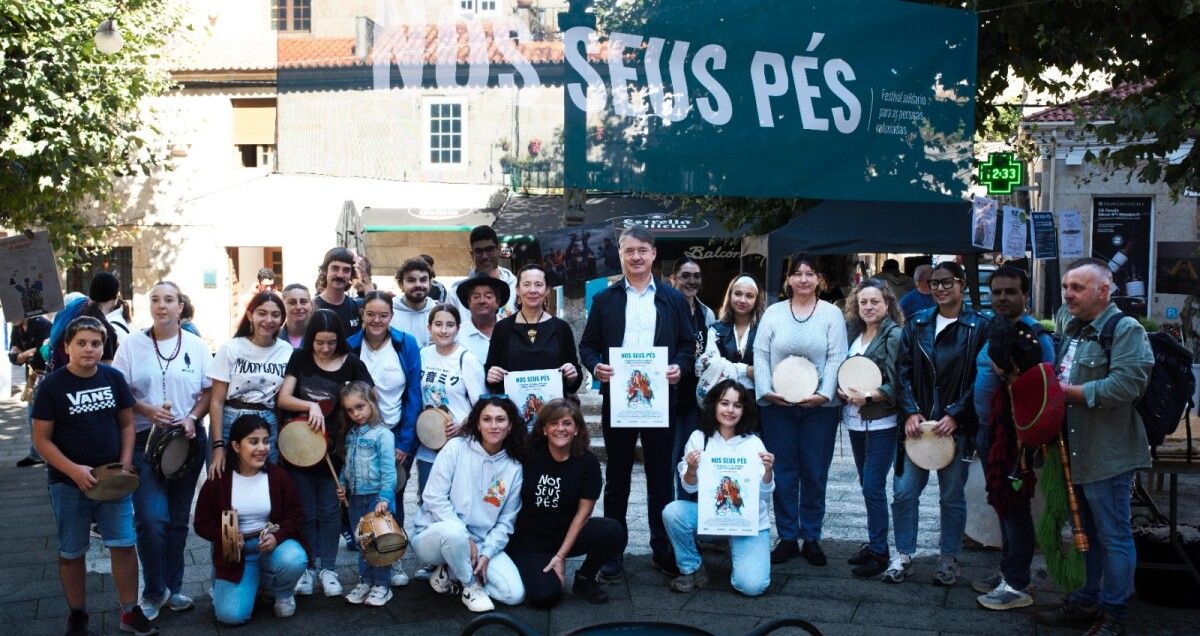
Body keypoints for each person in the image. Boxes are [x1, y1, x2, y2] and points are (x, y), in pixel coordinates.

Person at [1035, 258, 1154, 636]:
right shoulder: (1071, 324)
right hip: (1074, 452)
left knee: (1114, 535)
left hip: (1108, 453)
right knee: (1084, 531)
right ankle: (1087, 600)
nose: (1068, 294)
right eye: (1066, 287)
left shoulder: (1126, 329)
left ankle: (1114, 614)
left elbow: (1126, 386)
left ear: (1104, 290)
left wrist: (1063, 394)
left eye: (1077, 288)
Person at [579, 225, 695, 578]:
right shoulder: (606, 299)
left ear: (654, 254)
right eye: (629, 251)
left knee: (661, 478)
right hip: (620, 399)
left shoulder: (673, 299)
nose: (636, 257)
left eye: (643, 250)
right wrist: (594, 365)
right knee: (617, 477)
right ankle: (613, 551)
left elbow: (688, 346)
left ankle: (661, 548)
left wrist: (679, 366)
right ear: (621, 254)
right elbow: (588, 346)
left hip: (661, 401)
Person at [31, 316, 156, 636]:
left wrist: (125, 465)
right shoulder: (51, 387)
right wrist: (73, 470)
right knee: (72, 551)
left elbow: (127, 425)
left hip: (113, 480)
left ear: (103, 347)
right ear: (66, 347)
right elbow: (41, 440)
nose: (89, 349)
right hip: (68, 483)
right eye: (82, 343)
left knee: (124, 544)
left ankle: (129, 611)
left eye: (96, 343)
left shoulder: (113, 378)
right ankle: (77, 613)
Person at [112, 281, 213, 620]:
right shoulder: (131, 345)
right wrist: (146, 410)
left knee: (177, 521)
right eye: (155, 300)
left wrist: (193, 417)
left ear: (180, 306)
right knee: (152, 518)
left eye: (169, 300)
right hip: (145, 442)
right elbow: (119, 392)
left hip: (187, 441)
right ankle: (154, 591)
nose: (161, 306)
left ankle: (174, 587)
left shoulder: (197, 346)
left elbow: (209, 393)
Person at [887, 261, 990, 585]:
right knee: (903, 493)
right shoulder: (916, 324)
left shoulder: (979, 326)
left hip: (954, 428)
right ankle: (903, 555)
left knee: (951, 496)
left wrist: (956, 415)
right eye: (935, 283)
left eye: (947, 282)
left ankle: (949, 558)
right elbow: (901, 373)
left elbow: (980, 377)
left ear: (961, 285)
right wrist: (910, 412)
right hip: (916, 426)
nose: (941, 288)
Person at [754, 251, 848, 566]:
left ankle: (811, 537)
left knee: (814, 471)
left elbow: (837, 356)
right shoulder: (774, 313)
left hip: (819, 409)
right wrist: (767, 391)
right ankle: (787, 536)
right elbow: (761, 353)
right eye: (798, 273)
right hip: (777, 407)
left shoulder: (831, 315)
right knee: (782, 470)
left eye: (810, 273)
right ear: (788, 279)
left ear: (819, 279)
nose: (804, 279)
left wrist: (824, 394)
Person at [971, 267, 1056, 609]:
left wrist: (1008, 374)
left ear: (1025, 295)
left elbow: (1046, 388)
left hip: (1013, 436)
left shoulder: (1036, 336)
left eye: (1010, 292)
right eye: (996, 292)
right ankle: (1009, 569)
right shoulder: (996, 328)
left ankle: (1017, 584)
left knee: (1014, 507)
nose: (1002, 298)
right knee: (1002, 504)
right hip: (987, 432)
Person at [276, 308, 374, 598]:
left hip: (337, 451)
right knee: (306, 511)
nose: (325, 348)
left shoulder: (351, 363)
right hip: (301, 449)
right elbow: (284, 398)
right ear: (311, 338)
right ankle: (309, 567)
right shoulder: (300, 358)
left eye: (331, 342)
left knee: (331, 511)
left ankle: (329, 568)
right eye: (319, 342)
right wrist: (311, 405)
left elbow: (370, 396)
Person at [410, 395, 528, 612]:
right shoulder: (456, 448)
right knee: (454, 534)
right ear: (477, 423)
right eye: (487, 419)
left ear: (510, 426)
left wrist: (487, 554)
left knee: (514, 595)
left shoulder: (513, 467)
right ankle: (470, 586)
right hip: (435, 535)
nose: (494, 426)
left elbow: (505, 522)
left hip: (481, 543)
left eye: (500, 420)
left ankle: (452, 573)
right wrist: (465, 538)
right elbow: (434, 498)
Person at [507, 399, 624, 607]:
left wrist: (561, 556)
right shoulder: (530, 454)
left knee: (613, 530)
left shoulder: (587, 462)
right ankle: (524, 565)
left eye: (567, 423)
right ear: (544, 429)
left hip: (566, 535)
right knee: (545, 597)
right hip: (531, 542)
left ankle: (585, 578)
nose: (560, 429)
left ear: (576, 429)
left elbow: (583, 515)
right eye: (554, 423)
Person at [663, 379, 774, 596]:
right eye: (725, 403)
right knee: (673, 512)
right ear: (714, 405)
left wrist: (768, 472)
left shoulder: (753, 443)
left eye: (737, 405)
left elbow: (763, 495)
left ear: (744, 410)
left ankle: (741, 550)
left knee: (752, 586)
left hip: (749, 521)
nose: (730, 410)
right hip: (712, 515)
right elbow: (689, 487)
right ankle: (692, 568)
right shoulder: (699, 438)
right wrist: (692, 469)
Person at [193, 414, 307, 624]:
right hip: (236, 553)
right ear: (236, 446)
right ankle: (254, 584)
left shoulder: (277, 476)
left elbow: (296, 514)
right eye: (253, 442)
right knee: (230, 617)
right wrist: (225, 535)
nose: (262, 448)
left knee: (294, 558)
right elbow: (200, 522)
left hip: (270, 547)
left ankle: (282, 592)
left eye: (266, 441)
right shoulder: (218, 478)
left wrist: (278, 536)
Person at [347, 290, 423, 587]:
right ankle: (369, 555)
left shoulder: (406, 344)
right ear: (362, 315)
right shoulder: (351, 346)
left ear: (391, 316)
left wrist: (404, 442)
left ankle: (395, 554)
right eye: (371, 314)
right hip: (362, 432)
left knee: (394, 494)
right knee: (364, 495)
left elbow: (415, 394)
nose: (377, 320)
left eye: (383, 315)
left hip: (396, 431)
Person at [839, 278, 904, 578]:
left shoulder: (893, 335)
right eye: (863, 301)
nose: (868, 306)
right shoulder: (856, 334)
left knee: (872, 486)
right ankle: (875, 541)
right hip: (855, 421)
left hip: (881, 422)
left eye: (874, 301)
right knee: (868, 487)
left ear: (887, 303)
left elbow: (895, 384)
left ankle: (880, 552)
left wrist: (865, 396)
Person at [208, 292, 293, 479]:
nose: (268, 320)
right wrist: (218, 446)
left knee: (264, 482)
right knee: (226, 484)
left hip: (266, 424)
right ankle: (230, 512)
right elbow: (216, 401)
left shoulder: (286, 351)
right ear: (250, 316)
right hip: (231, 422)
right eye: (262, 313)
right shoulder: (231, 348)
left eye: (275, 315)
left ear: (282, 320)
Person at [336, 381, 398, 607]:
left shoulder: (382, 435)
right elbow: (347, 464)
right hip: (355, 497)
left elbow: (389, 471)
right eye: (350, 410)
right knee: (363, 541)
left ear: (372, 401)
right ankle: (366, 580)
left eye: (360, 407)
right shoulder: (352, 433)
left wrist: (384, 498)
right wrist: (342, 484)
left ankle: (382, 585)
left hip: (375, 497)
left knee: (379, 541)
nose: (355, 413)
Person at [485, 264, 583, 405]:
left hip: (553, 416)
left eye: (538, 285)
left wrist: (572, 375)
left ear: (547, 290)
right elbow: (491, 374)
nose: (532, 290)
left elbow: (574, 382)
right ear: (518, 290)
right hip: (513, 415)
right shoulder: (502, 328)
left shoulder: (561, 328)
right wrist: (492, 375)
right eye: (526, 285)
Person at [416, 304, 486, 494]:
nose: (444, 330)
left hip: (460, 444)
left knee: (457, 500)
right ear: (429, 327)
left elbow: (482, 406)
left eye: (450, 325)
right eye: (438, 324)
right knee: (427, 500)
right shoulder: (422, 355)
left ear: (458, 328)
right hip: (428, 446)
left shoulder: (467, 359)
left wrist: (462, 424)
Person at [668, 256, 716, 496]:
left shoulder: (707, 314)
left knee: (692, 459)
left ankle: (687, 511)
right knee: (668, 460)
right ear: (673, 279)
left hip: (696, 400)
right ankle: (667, 518)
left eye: (696, 276)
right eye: (685, 276)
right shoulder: (663, 310)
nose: (691, 281)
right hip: (671, 398)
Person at [696, 275, 764, 398]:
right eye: (738, 294)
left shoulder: (764, 330)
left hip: (756, 402)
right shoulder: (715, 330)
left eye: (749, 296)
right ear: (730, 295)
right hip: (723, 400)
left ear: (757, 300)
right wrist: (747, 371)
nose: (742, 300)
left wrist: (729, 367)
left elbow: (767, 370)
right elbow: (713, 367)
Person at [448, 225, 518, 318]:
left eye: (489, 249)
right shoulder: (455, 294)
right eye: (478, 251)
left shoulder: (517, 288)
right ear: (472, 255)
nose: (484, 256)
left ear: (499, 249)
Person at [11, 314, 51, 467]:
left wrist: (22, 354)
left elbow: (44, 350)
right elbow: (13, 357)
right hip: (32, 376)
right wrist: (26, 353)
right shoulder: (17, 328)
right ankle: (36, 453)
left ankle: (44, 453)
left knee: (43, 417)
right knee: (32, 416)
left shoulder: (42, 324)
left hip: (45, 375)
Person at [456, 275, 508, 364]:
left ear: (498, 302)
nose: (482, 301)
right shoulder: (458, 334)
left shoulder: (510, 329)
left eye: (488, 296)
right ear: (468, 302)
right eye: (476, 297)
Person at [314, 247, 362, 333]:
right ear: (325, 271)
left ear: (351, 274)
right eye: (335, 268)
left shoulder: (357, 307)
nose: (340, 275)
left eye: (346, 270)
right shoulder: (313, 308)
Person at [392, 257, 437, 346]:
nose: (418, 285)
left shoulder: (438, 312)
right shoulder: (389, 313)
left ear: (430, 283)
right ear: (401, 284)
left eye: (423, 280)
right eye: (411, 280)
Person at [278, 283, 313, 348]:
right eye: (292, 302)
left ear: (311, 305)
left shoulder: (319, 338)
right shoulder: (273, 339)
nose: (298, 307)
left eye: (303, 301)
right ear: (282, 306)